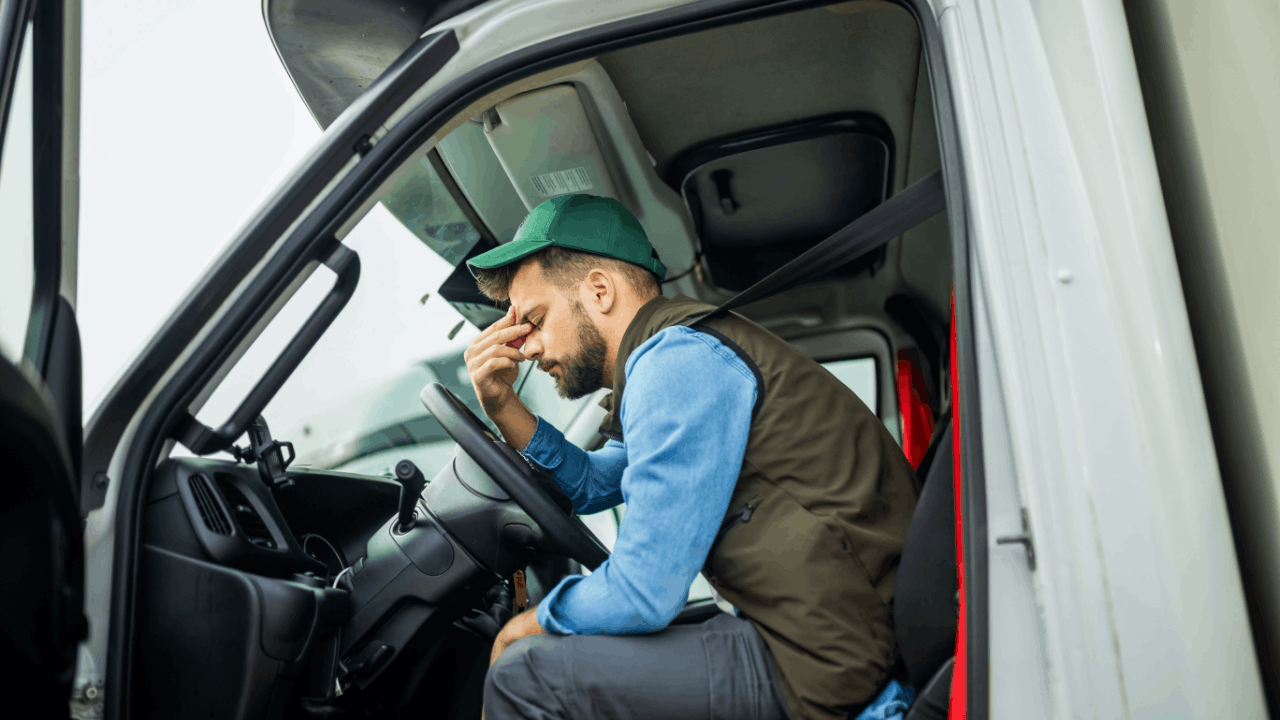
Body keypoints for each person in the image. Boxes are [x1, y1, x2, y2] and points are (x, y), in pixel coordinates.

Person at [462, 193, 920, 720]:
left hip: (827, 656)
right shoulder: (669, 356)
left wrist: (530, 623)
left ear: (599, 290)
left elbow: (644, 591)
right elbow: (591, 484)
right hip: (819, 629)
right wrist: (502, 405)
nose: (529, 348)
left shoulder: (676, 361)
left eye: (536, 320)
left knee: (525, 676)